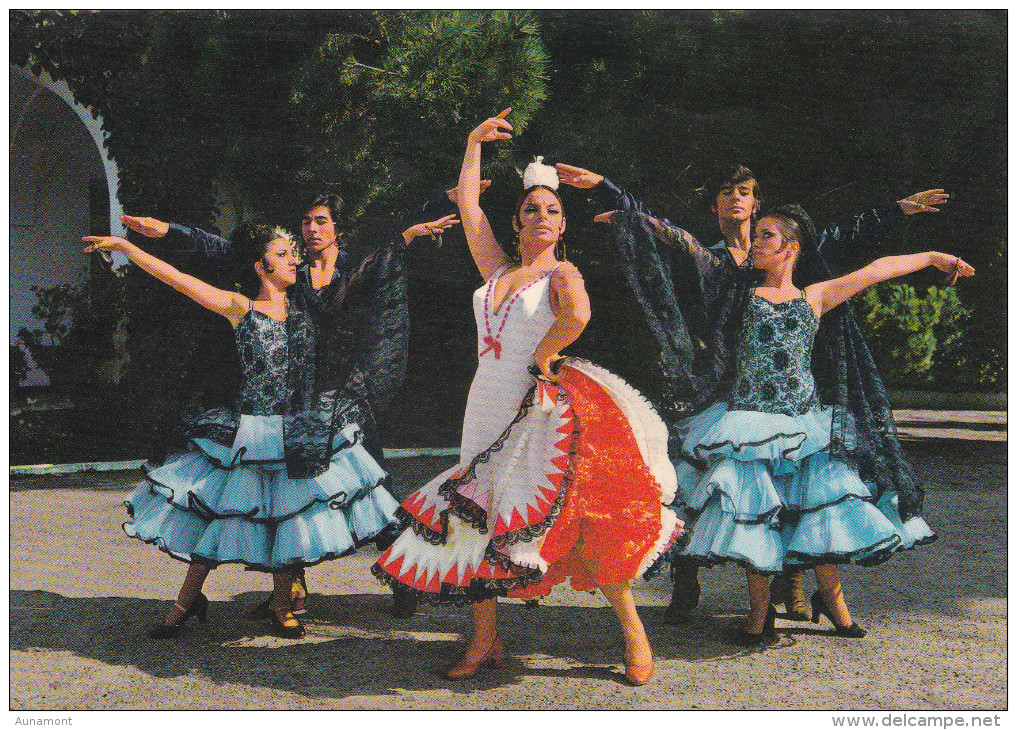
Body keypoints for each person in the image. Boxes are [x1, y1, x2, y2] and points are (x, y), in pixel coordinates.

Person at [558, 161, 948, 622]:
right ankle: (691, 583)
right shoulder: (717, 262)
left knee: (801, 490)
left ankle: (798, 587)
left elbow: (847, 244)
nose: (736, 199)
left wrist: (900, 216)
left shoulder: (790, 263)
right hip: (719, 388)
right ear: (716, 203)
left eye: (744, 191)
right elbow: (670, 236)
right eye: (727, 192)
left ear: (761, 209)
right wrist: (616, 200)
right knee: (708, 488)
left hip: (792, 395)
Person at [372, 110, 681, 686]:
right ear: (517, 221)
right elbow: (468, 206)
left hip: (533, 408)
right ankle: (486, 638)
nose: (543, 216)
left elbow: (579, 315)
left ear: (563, 226)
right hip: (483, 400)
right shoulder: (497, 268)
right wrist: (471, 144)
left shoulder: (561, 273)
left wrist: (546, 354)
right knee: (471, 518)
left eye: (554, 210)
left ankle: (635, 633)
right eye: (533, 209)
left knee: (572, 514)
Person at [118, 192, 461, 620]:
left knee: (368, 488)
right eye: (306, 222)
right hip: (293, 396)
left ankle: (403, 578)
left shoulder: (351, 269)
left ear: (338, 229)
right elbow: (230, 250)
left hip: (340, 395)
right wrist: (166, 231)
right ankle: (290, 592)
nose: (311, 229)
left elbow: (387, 257)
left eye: (321, 222)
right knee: (288, 490)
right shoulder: (290, 273)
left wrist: (414, 227)